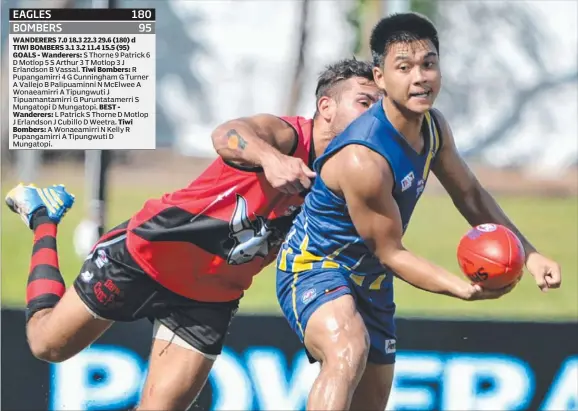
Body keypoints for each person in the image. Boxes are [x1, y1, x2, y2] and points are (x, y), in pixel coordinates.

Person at [4, 58, 381, 410]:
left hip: (209, 299)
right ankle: (44, 216)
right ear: (327, 107)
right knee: (47, 344)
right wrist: (271, 159)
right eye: (365, 102)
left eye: (380, 107)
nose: (375, 115)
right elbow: (227, 134)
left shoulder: (351, 174)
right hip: (148, 254)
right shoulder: (286, 136)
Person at [276, 13, 562, 411]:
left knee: (370, 401)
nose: (420, 77)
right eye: (404, 67)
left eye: (429, 64)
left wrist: (529, 254)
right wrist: (461, 288)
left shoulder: (434, 127)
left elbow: (471, 194)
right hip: (314, 266)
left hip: (371, 281)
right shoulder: (364, 158)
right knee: (347, 349)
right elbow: (391, 252)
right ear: (379, 77)